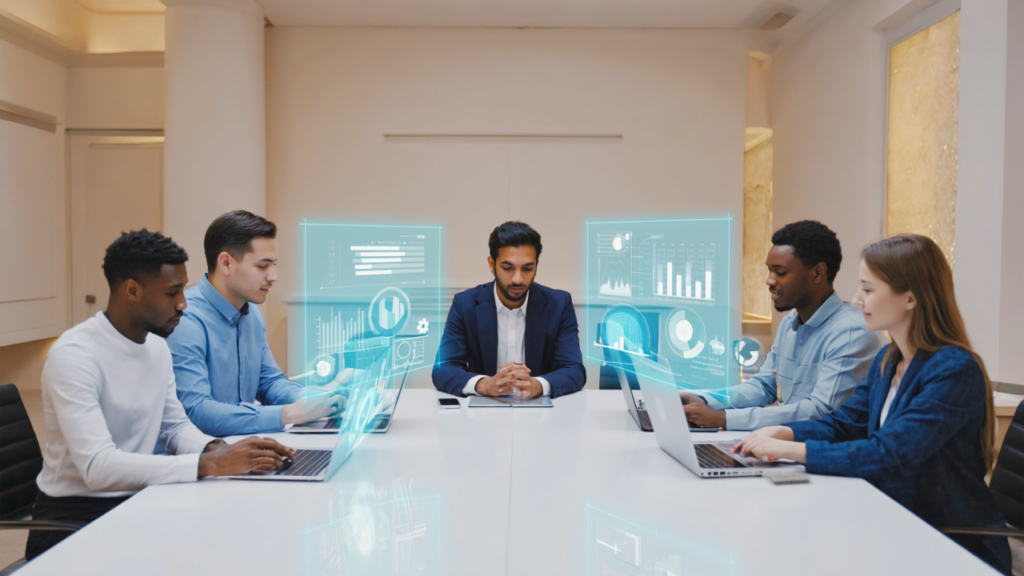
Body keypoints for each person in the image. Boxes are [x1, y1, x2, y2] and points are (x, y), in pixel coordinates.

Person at [734, 234, 1011, 574]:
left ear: (910, 297)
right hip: (892, 520)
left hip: (945, 540)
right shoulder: (888, 359)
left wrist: (790, 450)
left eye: (868, 289)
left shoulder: (954, 370)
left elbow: (888, 454)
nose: (856, 299)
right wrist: (785, 432)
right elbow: (843, 425)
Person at [28, 230, 295, 560]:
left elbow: (175, 428)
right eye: (172, 293)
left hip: (140, 499)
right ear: (132, 290)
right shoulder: (75, 355)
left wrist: (223, 450)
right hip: (74, 519)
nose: (183, 304)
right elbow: (97, 468)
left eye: (182, 290)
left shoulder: (155, 345)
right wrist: (205, 464)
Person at [680, 221, 883, 430]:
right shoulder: (789, 324)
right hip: (787, 444)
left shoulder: (852, 333)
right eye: (769, 271)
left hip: (820, 453)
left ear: (818, 273)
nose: (769, 281)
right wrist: (703, 399)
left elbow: (821, 411)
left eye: (781, 272)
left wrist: (724, 419)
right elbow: (763, 386)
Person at [167, 211, 343, 437]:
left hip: (241, 447)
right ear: (226, 263)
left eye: (274, 265)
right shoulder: (185, 321)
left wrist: (323, 399)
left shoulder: (252, 316)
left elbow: (269, 383)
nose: (273, 277)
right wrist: (290, 413)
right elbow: (197, 412)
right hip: (197, 460)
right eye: (263, 266)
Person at [433, 221, 586, 399]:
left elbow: (574, 370)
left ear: (536, 265)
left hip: (541, 413)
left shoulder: (559, 304)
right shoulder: (465, 304)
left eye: (528, 268)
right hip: (482, 413)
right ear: (492, 264)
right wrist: (483, 384)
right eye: (507, 268)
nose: (517, 279)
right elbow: (443, 368)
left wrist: (538, 385)